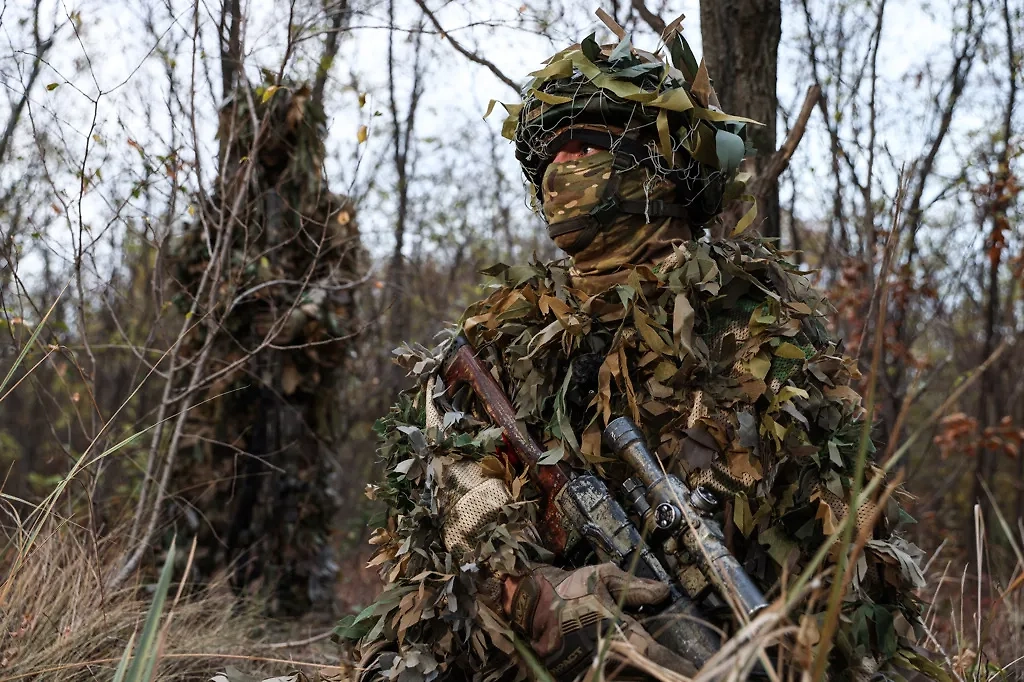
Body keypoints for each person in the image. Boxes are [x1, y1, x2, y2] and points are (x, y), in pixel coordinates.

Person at [338, 23, 938, 682]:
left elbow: (852, 576)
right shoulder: (496, 340)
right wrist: (536, 598)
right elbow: (442, 541)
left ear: (666, 164)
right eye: (550, 154)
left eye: (590, 143)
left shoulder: (767, 335)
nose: (565, 168)